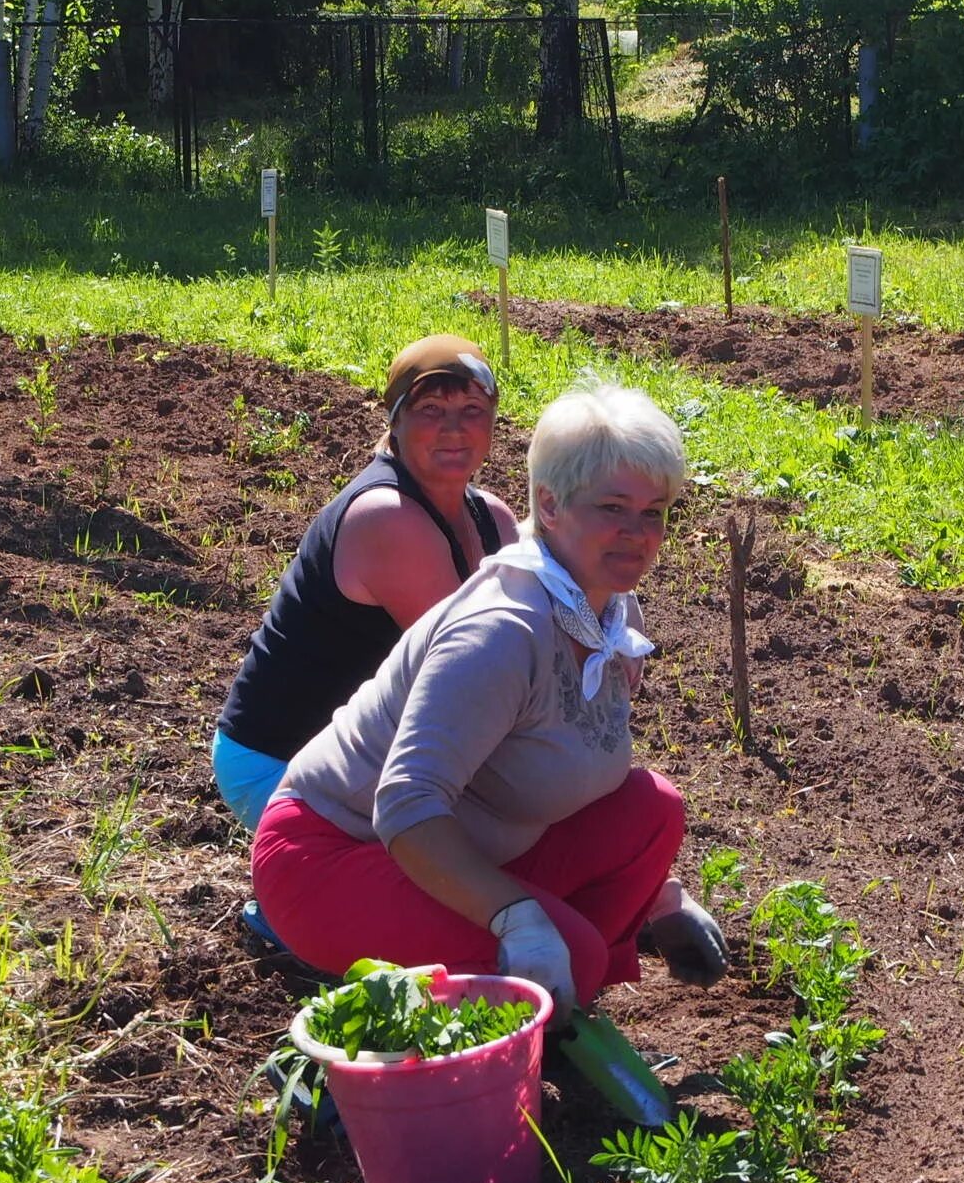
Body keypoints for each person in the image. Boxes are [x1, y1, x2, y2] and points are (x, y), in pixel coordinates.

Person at [251, 381, 726, 1012]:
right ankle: (515, 987)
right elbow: (405, 804)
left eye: (654, 512)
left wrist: (656, 895)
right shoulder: (501, 630)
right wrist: (517, 920)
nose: (637, 534)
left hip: (468, 847)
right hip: (337, 857)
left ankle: (547, 1003)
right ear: (550, 506)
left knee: (651, 809)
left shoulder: (607, 606)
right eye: (612, 508)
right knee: (569, 950)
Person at [213, 334, 518, 833]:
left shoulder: (493, 518)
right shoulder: (388, 519)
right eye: (430, 408)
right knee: (476, 848)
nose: (454, 428)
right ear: (395, 420)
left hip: (359, 755)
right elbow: (478, 670)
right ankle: (301, 903)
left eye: (471, 408)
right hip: (281, 763)